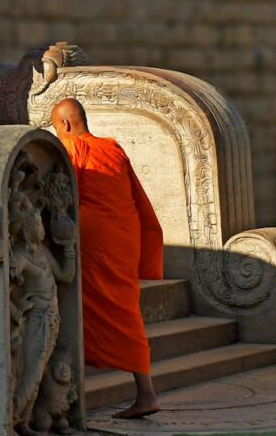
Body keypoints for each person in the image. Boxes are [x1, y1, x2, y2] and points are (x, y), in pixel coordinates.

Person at [50, 97, 163, 419]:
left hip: (95, 244)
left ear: (66, 125)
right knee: (123, 310)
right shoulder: (112, 147)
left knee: (96, 313)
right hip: (125, 237)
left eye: (57, 128)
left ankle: (139, 394)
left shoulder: (73, 150)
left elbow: (61, 197)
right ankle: (145, 392)